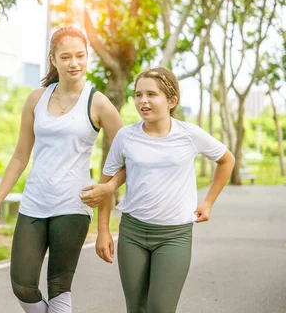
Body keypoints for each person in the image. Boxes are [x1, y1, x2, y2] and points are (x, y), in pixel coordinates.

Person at [0, 26, 124, 313]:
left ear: (87, 58)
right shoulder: (36, 99)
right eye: (66, 56)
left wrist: (108, 187)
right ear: (53, 60)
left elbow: (130, 154)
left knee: (59, 288)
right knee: (22, 285)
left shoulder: (97, 102)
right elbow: (20, 156)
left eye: (81, 56)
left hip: (73, 206)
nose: (74, 63)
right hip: (34, 203)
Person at [80, 67, 235, 313]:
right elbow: (105, 186)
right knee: (136, 308)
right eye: (138, 94)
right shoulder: (125, 136)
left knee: (161, 308)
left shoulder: (188, 134)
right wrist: (102, 232)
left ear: (171, 101)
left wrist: (208, 202)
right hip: (132, 233)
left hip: (174, 236)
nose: (143, 101)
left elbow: (227, 160)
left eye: (151, 94)